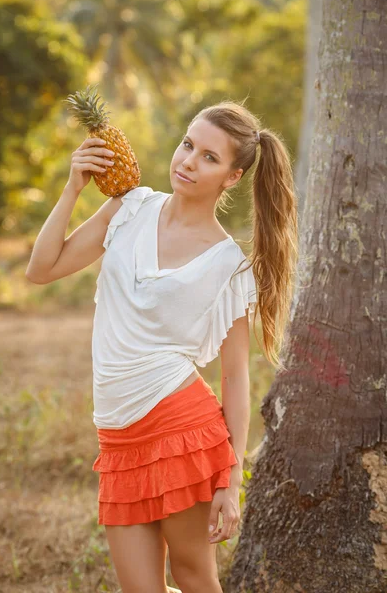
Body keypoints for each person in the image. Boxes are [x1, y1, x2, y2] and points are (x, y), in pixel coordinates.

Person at [25, 100, 298, 593]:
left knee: (193, 577)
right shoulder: (130, 208)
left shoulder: (227, 265)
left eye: (209, 158)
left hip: (182, 433)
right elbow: (41, 270)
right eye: (188, 144)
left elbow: (235, 378)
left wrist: (230, 482)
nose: (188, 161)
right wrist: (72, 188)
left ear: (232, 178)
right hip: (118, 440)